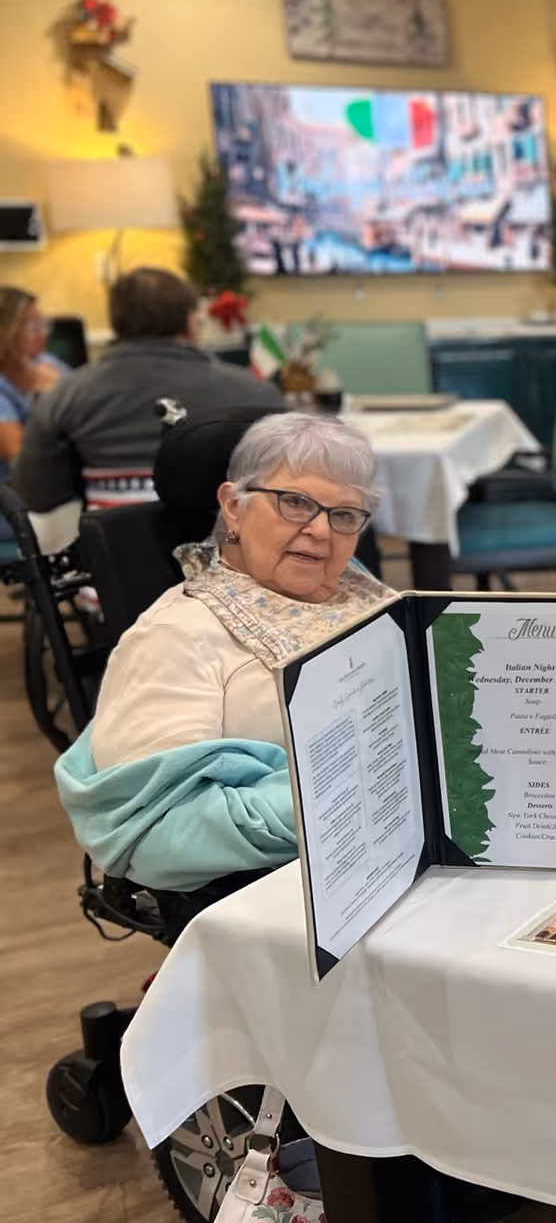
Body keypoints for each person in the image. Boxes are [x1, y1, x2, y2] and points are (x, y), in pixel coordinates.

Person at [56, 412, 393, 892]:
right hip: (298, 891)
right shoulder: (176, 635)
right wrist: (351, 793)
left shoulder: (356, 587)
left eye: (344, 515)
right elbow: (152, 835)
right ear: (234, 505)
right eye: (295, 503)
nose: (321, 530)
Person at [13, 267, 282, 513]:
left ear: (117, 323)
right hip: (230, 552)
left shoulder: (65, 396)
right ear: (190, 323)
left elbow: (35, 496)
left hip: (114, 556)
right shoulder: (256, 393)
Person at [0, 286, 69, 487]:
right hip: (12, 500)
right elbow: (20, 458)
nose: (44, 333)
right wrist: (48, 397)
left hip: (54, 489)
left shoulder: (46, 362)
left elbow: (89, 406)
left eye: (43, 323)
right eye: (33, 327)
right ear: (6, 333)